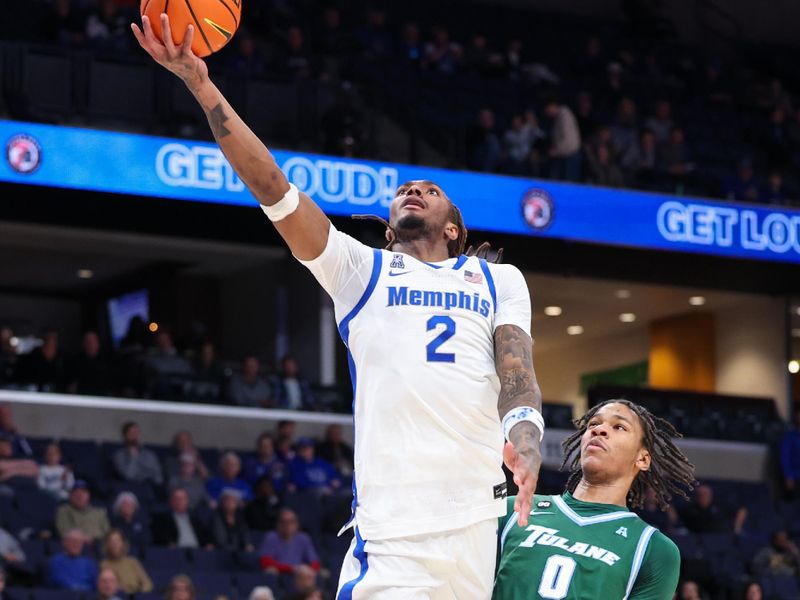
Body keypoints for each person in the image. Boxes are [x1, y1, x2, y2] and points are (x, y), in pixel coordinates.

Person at [133, 16, 542, 598]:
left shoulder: (497, 278)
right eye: (404, 188)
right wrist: (201, 85)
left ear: (453, 227)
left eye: (429, 189)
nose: (412, 190)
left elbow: (517, 370)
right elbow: (273, 186)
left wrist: (526, 436)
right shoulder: (360, 270)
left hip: (478, 524)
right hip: (393, 535)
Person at [494, 399, 695, 599]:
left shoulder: (653, 549)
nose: (599, 430)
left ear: (642, 459)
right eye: (593, 424)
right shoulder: (515, 509)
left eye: (619, 426)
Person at [258, 508, 320, 575]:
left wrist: (307, 569)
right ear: (278, 524)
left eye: (291, 522)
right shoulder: (271, 537)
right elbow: (265, 562)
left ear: (297, 524)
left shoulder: (303, 538)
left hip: (298, 576)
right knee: (270, 571)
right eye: (283, 522)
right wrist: (292, 568)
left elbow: (315, 562)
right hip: (279, 575)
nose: (287, 525)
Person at [679, 484, 747, 535]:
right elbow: (677, 516)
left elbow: (742, 510)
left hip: (718, 537)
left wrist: (737, 527)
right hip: (696, 537)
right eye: (700, 494)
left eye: (706, 494)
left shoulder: (720, 506)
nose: (703, 496)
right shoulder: (690, 509)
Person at [112, 421, 163, 487]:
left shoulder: (149, 454)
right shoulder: (119, 455)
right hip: (130, 487)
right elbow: (129, 476)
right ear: (125, 435)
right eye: (131, 433)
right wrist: (133, 457)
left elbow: (158, 478)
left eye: (136, 432)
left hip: (150, 487)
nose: (134, 436)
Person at [100, 529, 153, 594]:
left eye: (117, 540)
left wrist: (140, 593)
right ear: (107, 545)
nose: (115, 544)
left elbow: (148, 584)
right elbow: (108, 587)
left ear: (123, 543)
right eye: (111, 541)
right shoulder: (104, 564)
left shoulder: (133, 562)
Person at [67, 331, 114, 396]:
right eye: (88, 342)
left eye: (93, 341)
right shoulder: (76, 363)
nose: (91, 344)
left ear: (98, 343)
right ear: (83, 344)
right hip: (82, 398)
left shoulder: (108, 362)